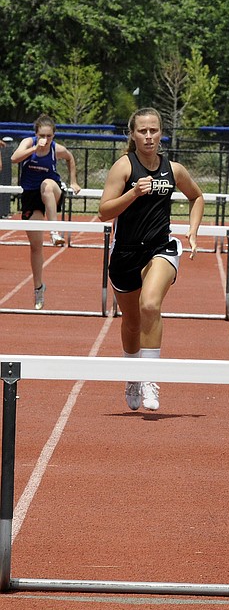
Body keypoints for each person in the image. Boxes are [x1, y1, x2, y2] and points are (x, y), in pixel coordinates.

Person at [98, 108, 204, 411]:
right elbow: (104, 212)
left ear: (161, 133)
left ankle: (150, 377)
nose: (148, 136)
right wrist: (133, 193)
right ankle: (133, 376)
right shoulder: (124, 167)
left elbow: (197, 197)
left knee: (150, 305)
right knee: (131, 322)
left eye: (154, 130)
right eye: (143, 131)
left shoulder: (174, 169)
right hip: (126, 254)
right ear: (133, 134)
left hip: (160, 248)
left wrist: (192, 232)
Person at [10, 115, 81, 310]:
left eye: (49, 136)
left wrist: (73, 181)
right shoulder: (28, 143)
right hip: (31, 196)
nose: (46, 139)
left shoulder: (56, 149)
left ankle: (54, 231)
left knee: (47, 186)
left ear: (53, 135)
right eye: (42, 135)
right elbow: (14, 158)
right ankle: (39, 287)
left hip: (52, 191)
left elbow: (69, 157)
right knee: (35, 247)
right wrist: (35, 148)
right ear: (36, 134)